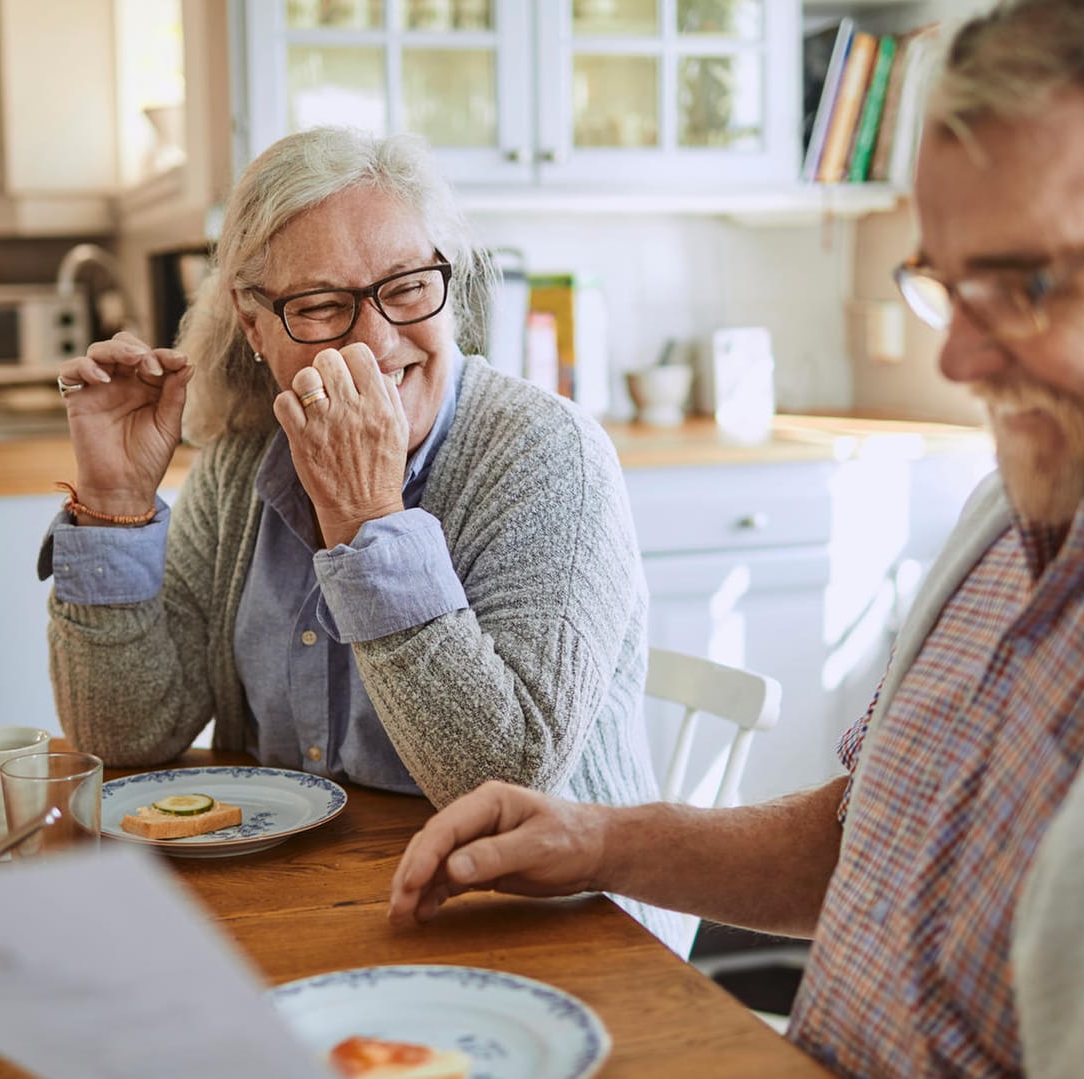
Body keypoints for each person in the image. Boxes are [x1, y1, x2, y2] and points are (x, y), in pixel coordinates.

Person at [389, 2, 1084, 1076]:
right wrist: (598, 839)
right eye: (944, 283)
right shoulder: (1014, 512)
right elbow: (878, 834)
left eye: (1025, 283)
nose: (959, 362)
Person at [38, 126, 692, 953]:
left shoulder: (548, 454)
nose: (375, 341)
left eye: (409, 287)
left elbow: (504, 780)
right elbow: (125, 733)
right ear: (253, 323)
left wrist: (368, 522)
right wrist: (114, 503)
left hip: (557, 930)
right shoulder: (245, 458)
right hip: (314, 908)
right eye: (319, 306)